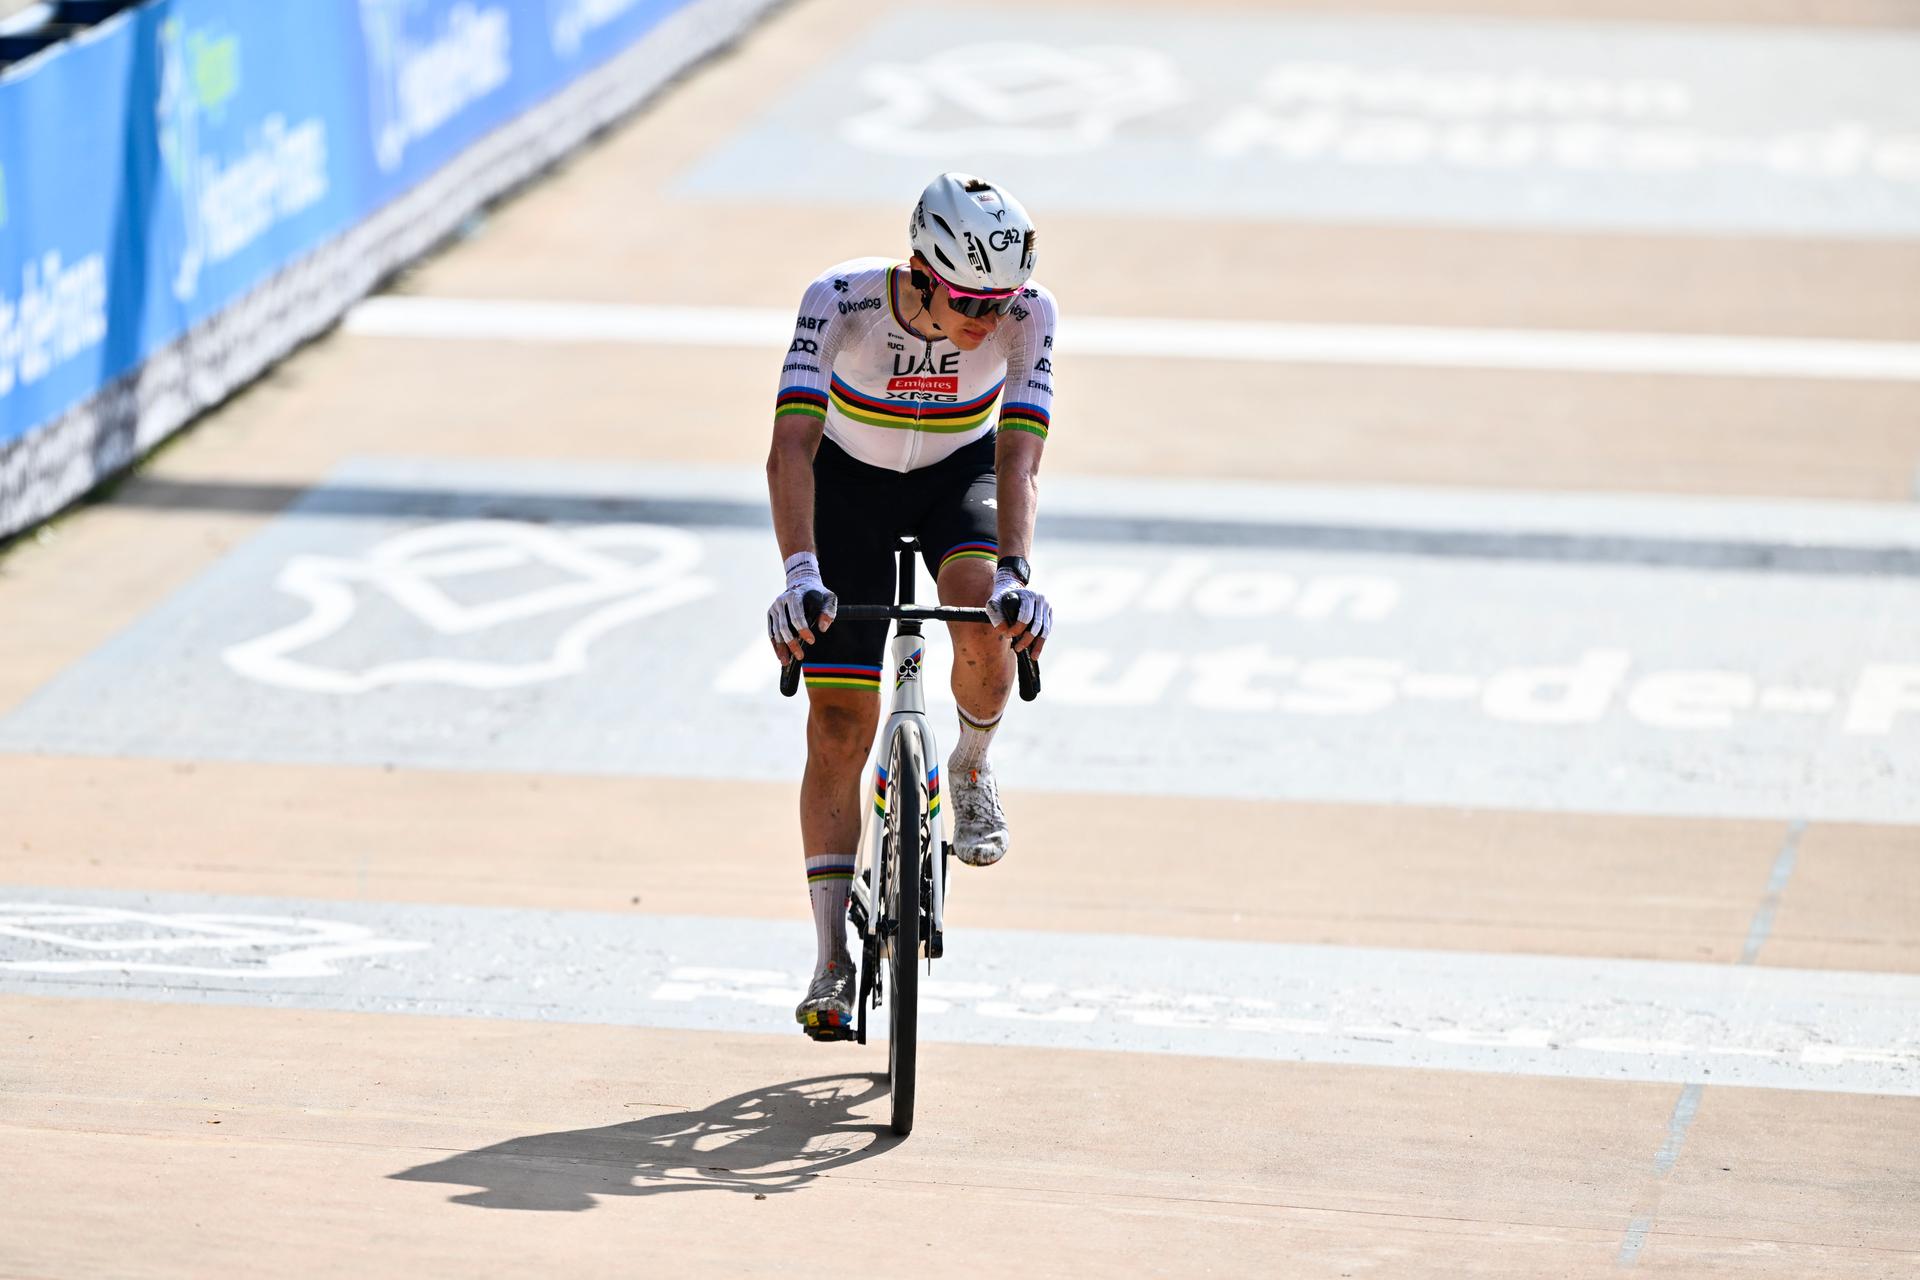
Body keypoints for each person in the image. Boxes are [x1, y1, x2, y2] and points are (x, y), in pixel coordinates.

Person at [765, 173, 1057, 1040]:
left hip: (954, 483)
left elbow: (1018, 460)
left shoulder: (1027, 313)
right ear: (921, 270)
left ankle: (968, 762)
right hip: (845, 490)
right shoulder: (841, 300)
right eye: (970, 299)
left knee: (984, 617)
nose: (987, 319)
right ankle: (828, 959)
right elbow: (790, 447)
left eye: (1000, 300)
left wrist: (1016, 571)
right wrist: (798, 571)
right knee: (839, 723)